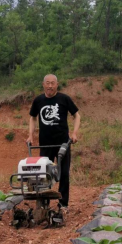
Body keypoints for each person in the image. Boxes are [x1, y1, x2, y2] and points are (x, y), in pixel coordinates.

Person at [26, 74, 81, 210]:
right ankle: (44, 203)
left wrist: (74, 133)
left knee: (64, 174)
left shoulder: (64, 99)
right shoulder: (38, 100)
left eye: (53, 83)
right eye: (48, 83)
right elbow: (33, 118)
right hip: (45, 144)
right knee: (43, 174)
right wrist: (30, 136)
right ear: (43, 84)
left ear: (57, 84)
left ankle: (63, 204)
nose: (50, 86)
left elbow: (76, 115)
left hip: (63, 143)